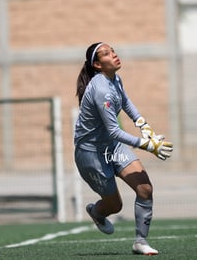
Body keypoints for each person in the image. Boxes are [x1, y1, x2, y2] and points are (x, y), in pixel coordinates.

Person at [73, 42, 173, 255]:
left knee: (145, 189)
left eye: (113, 51)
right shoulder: (101, 90)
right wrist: (147, 145)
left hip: (112, 147)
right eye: (107, 54)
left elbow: (126, 103)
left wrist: (143, 126)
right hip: (90, 154)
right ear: (98, 65)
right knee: (114, 207)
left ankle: (140, 242)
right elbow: (114, 131)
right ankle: (96, 212)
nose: (114, 55)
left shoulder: (115, 79)